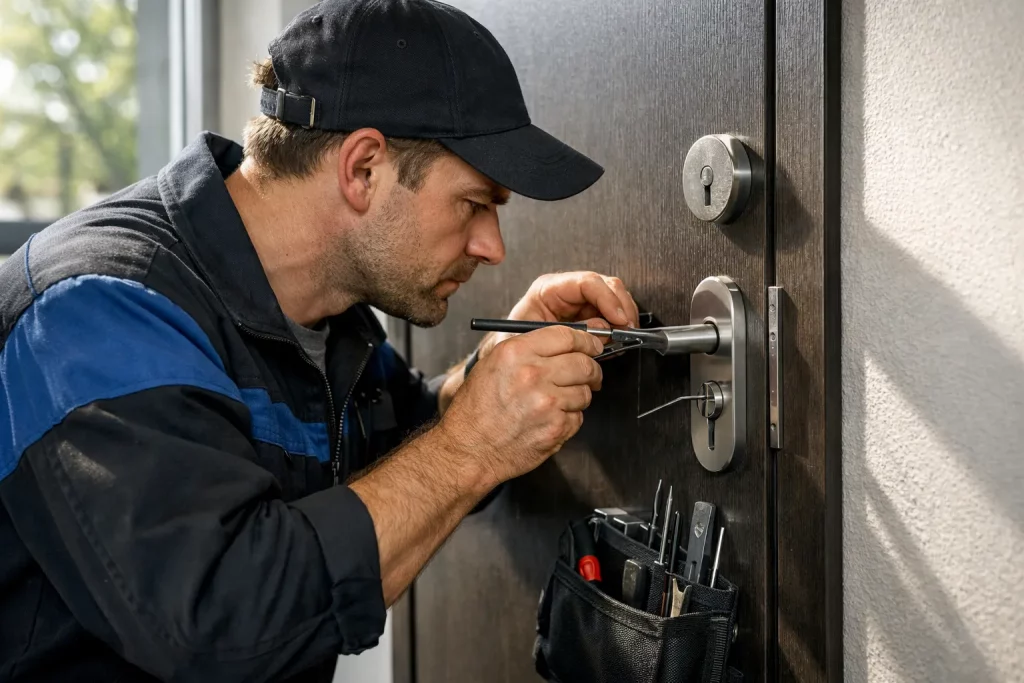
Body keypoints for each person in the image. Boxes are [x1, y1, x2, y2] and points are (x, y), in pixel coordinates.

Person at [0, 1, 640, 681]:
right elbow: (227, 627)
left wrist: (495, 377)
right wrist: (474, 444)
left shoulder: (324, 312)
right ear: (363, 168)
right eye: (475, 203)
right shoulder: (98, 311)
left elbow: (408, 447)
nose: (492, 246)